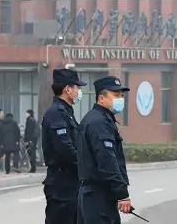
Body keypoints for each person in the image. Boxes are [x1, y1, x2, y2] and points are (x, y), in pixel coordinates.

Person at [77, 76, 131, 224]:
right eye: (115, 95)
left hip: (93, 195)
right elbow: (107, 161)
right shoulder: (99, 122)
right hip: (98, 196)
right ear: (101, 98)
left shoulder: (98, 119)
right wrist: (122, 194)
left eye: (121, 95)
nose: (120, 99)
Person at [41, 68, 87, 224]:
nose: (79, 91)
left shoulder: (66, 112)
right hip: (62, 185)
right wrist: (85, 166)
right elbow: (65, 148)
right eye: (77, 88)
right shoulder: (56, 113)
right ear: (68, 89)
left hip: (70, 182)